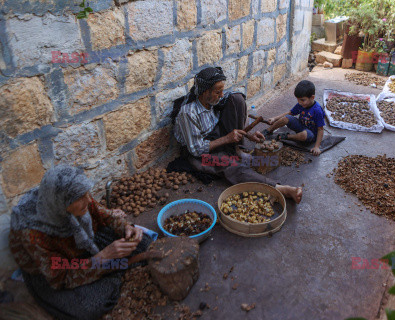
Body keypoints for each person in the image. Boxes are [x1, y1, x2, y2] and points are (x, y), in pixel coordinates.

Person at [9, 165, 152, 320]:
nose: (89, 200)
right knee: (88, 308)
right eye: (80, 198)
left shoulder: (79, 199)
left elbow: (106, 217)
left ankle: (114, 269)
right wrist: (103, 257)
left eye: (86, 194)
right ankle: (115, 271)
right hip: (57, 269)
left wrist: (126, 228)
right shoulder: (32, 233)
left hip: (85, 243)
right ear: (62, 204)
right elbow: (60, 277)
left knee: (144, 243)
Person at [173, 67, 302, 203]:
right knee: (232, 166)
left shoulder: (212, 101)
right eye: (218, 92)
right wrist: (227, 138)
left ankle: (237, 149)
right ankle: (279, 188)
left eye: (222, 90)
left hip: (215, 135)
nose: (222, 95)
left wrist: (248, 135)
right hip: (199, 153)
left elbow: (230, 118)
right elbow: (196, 149)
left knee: (236, 99)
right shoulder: (188, 113)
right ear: (205, 92)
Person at [262, 80, 325, 156]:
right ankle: (268, 130)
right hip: (301, 127)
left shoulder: (317, 110)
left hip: (310, 134)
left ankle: (287, 136)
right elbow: (290, 113)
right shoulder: (301, 104)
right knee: (286, 118)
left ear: (312, 97)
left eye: (302, 100)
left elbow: (320, 129)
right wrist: (274, 119)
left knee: (304, 135)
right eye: (298, 99)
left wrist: (317, 147)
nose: (299, 102)